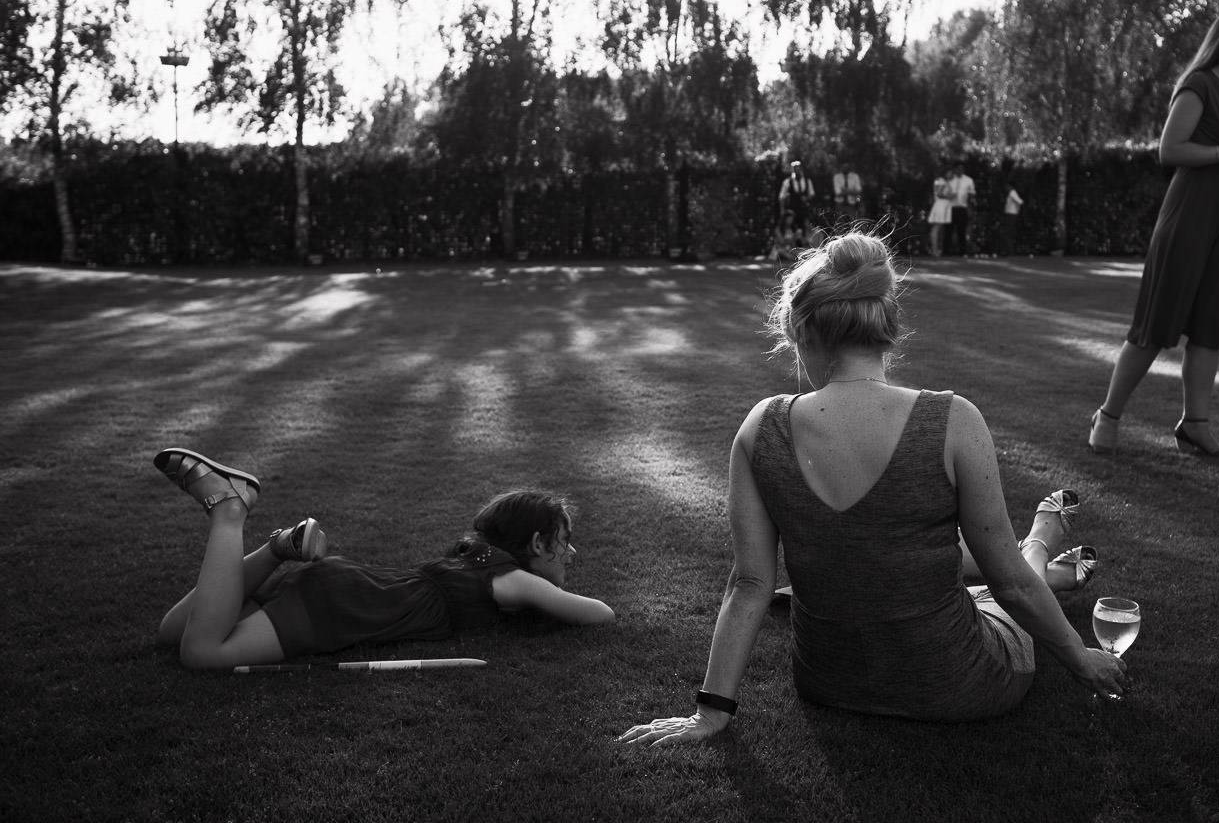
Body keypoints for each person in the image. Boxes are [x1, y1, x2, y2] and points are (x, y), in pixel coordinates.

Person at [617, 230, 1125, 746]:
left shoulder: (761, 428)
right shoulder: (952, 420)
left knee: (981, 587)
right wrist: (1079, 657)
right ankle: (1040, 541)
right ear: (887, 326)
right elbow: (1011, 583)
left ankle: (1043, 550)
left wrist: (711, 713)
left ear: (801, 330)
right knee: (1002, 586)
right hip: (960, 683)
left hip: (828, 683)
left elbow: (749, 584)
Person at [153, 448, 614, 669]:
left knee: (173, 632)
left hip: (345, 585)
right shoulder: (512, 579)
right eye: (563, 541)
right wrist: (549, 591)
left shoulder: (473, 556)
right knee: (201, 654)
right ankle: (229, 510)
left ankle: (278, 549)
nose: (571, 553)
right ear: (535, 544)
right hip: (342, 609)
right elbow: (600, 614)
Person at [1088, 4, 1219, 457]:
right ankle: (1107, 416)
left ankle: (1195, 424)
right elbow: (1170, 150)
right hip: (1188, 217)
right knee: (1157, 323)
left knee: (1210, 327)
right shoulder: (1199, 86)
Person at [779, 160, 815, 238]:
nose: (797, 170)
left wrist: (807, 198)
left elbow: (811, 193)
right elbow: (782, 197)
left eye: (799, 168)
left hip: (804, 210)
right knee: (794, 230)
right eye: (795, 168)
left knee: (805, 229)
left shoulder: (807, 180)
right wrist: (782, 210)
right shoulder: (787, 182)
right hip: (793, 211)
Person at [947, 161, 977, 255]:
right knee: (948, 230)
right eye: (958, 168)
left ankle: (962, 251)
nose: (960, 170)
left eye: (962, 169)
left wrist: (971, 200)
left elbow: (972, 193)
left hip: (962, 208)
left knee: (962, 230)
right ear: (955, 169)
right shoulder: (950, 179)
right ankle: (946, 251)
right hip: (950, 208)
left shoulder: (968, 180)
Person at [926, 166, 955, 257]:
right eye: (949, 172)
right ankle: (935, 251)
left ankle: (937, 250)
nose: (951, 174)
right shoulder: (940, 180)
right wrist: (950, 197)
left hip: (944, 206)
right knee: (936, 228)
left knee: (939, 228)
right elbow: (939, 194)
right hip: (940, 206)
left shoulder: (945, 181)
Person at [1000, 182, 1024, 255]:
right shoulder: (1011, 193)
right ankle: (1009, 251)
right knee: (1007, 233)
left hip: (1011, 214)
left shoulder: (1012, 193)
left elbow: (1020, 202)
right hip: (1011, 214)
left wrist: (1017, 210)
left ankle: (1010, 251)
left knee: (1007, 234)